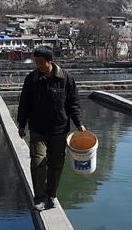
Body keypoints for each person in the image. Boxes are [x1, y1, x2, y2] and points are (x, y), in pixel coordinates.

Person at [17, 46, 86, 211]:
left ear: (50, 61)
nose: (38, 65)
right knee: (38, 161)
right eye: (36, 62)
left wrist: (79, 123)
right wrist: (21, 124)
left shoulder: (65, 78)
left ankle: (52, 195)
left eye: (40, 62)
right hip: (38, 128)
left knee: (56, 164)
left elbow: (73, 104)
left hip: (59, 129)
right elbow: (24, 103)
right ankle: (39, 198)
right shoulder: (32, 79)